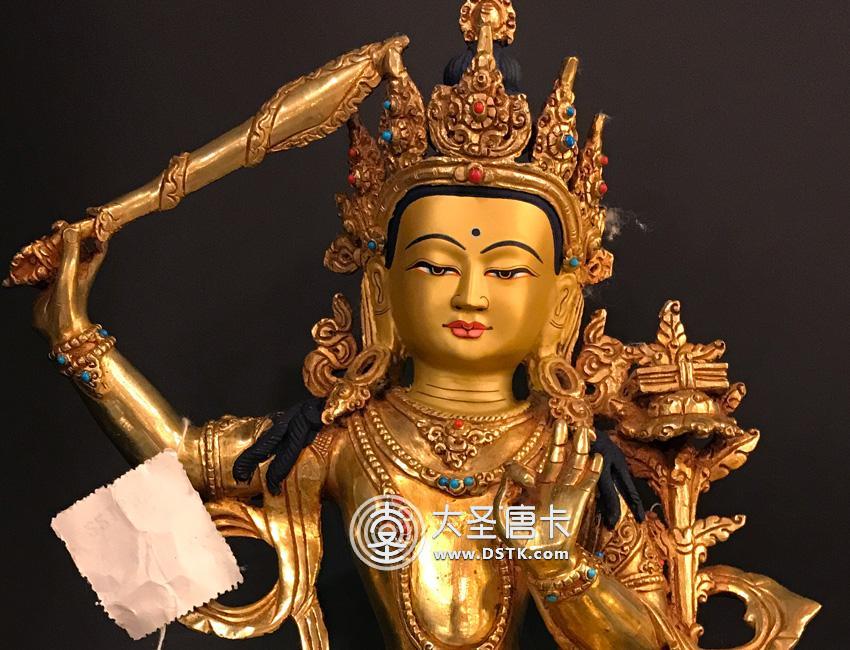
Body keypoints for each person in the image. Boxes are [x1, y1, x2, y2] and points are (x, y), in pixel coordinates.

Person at [9, 2, 818, 648]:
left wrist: (553, 555)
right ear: (382, 286)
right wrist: (72, 333)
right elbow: (187, 458)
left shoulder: (569, 458)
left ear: (559, 302)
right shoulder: (346, 439)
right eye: (434, 265)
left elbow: (657, 641)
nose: (470, 294)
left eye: (507, 270)